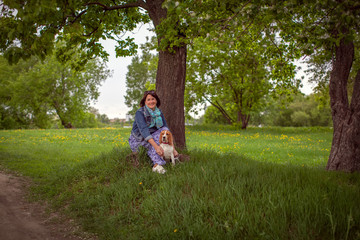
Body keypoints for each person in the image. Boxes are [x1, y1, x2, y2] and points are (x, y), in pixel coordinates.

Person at [128, 90, 178, 174]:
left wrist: (173, 149)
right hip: (139, 139)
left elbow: (166, 129)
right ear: (145, 102)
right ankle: (157, 165)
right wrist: (156, 146)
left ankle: (169, 154)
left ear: (156, 100)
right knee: (154, 143)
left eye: (153, 99)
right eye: (148, 99)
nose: (151, 101)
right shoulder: (139, 113)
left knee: (164, 130)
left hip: (151, 135)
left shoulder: (159, 112)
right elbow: (144, 131)